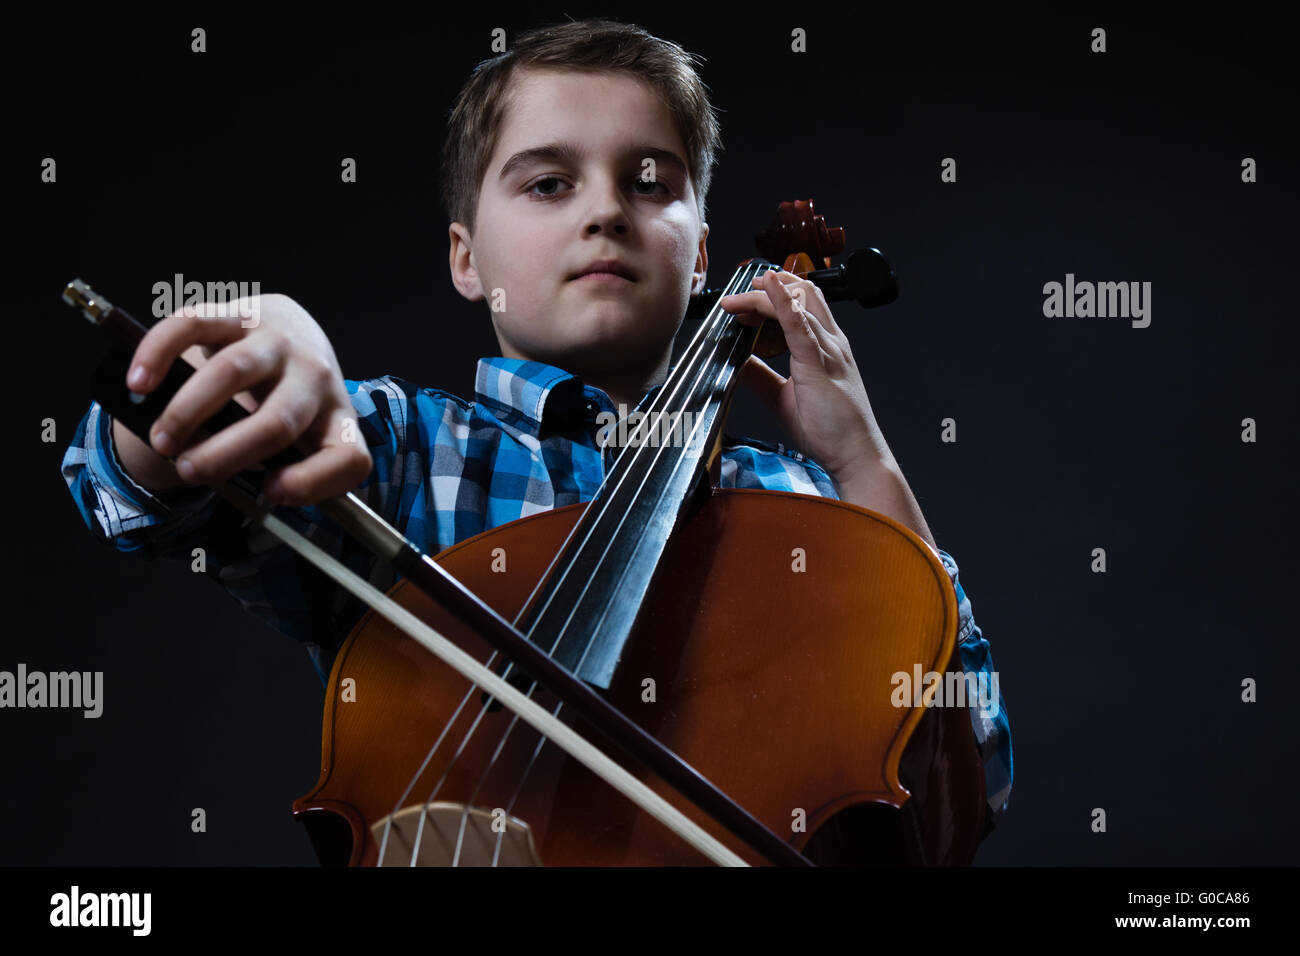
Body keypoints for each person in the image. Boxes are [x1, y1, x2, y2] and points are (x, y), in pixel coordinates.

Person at [60, 18, 1011, 847]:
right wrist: (265, 342)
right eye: (550, 184)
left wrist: (863, 461)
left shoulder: (798, 507)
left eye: (649, 183)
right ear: (467, 259)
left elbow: (962, 774)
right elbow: (137, 494)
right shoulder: (406, 450)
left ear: (703, 257)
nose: (605, 210)